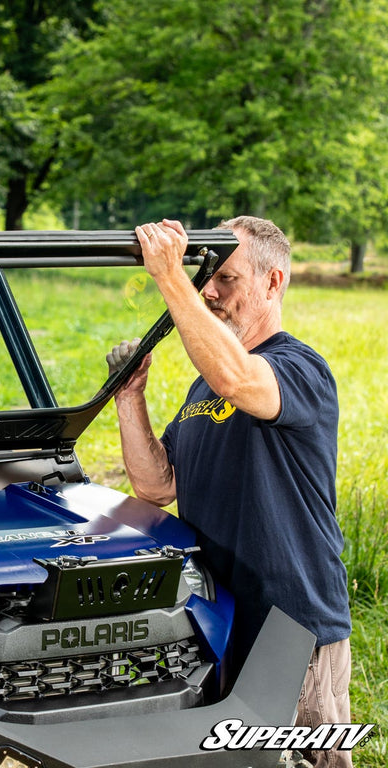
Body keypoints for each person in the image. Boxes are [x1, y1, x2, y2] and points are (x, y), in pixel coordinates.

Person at [106, 217, 352, 768]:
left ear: (273, 283)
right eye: (205, 274)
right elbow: (156, 484)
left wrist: (170, 277)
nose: (210, 289)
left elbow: (241, 382)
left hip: (292, 627)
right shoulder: (205, 384)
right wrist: (131, 396)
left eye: (228, 278)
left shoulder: (300, 368)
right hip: (219, 620)